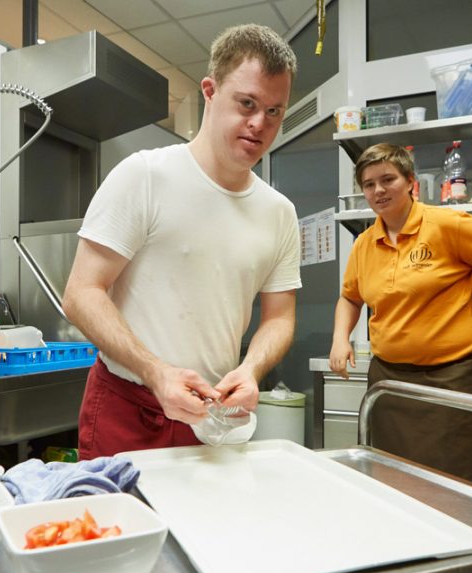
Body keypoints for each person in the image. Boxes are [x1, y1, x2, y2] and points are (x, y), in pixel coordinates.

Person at [62, 24, 301, 460]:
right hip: (128, 409)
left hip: (214, 418)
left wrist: (250, 369)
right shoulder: (145, 177)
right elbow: (80, 294)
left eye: (274, 112)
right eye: (246, 103)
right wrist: (156, 372)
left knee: (202, 529)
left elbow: (280, 318)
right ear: (210, 91)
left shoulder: (279, 213)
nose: (258, 124)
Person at [329, 143, 472, 490]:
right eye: (368, 184)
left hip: (454, 381)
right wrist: (339, 338)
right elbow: (350, 297)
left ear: (411, 182)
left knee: (463, 486)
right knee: (394, 481)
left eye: (387, 179)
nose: (378, 190)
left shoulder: (448, 224)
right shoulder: (365, 243)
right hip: (390, 384)